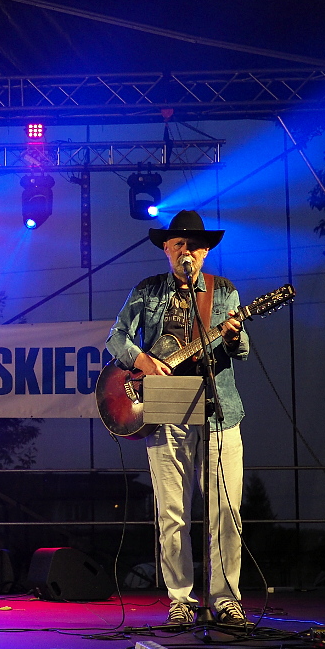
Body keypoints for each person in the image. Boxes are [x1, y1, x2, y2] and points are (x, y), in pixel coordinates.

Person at [105, 209, 249, 627]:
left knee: (226, 512)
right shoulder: (147, 291)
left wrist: (234, 336)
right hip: (165, 410)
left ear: (205, 252)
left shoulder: (224, 291)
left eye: (195, 245)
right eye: (179, 244)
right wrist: (143, 361)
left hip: (220, 411)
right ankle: (181, 599)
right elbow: (116, 337)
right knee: (172, 514)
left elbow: (241, 350)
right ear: (167, 249)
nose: (187, 251)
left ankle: (225, 599)